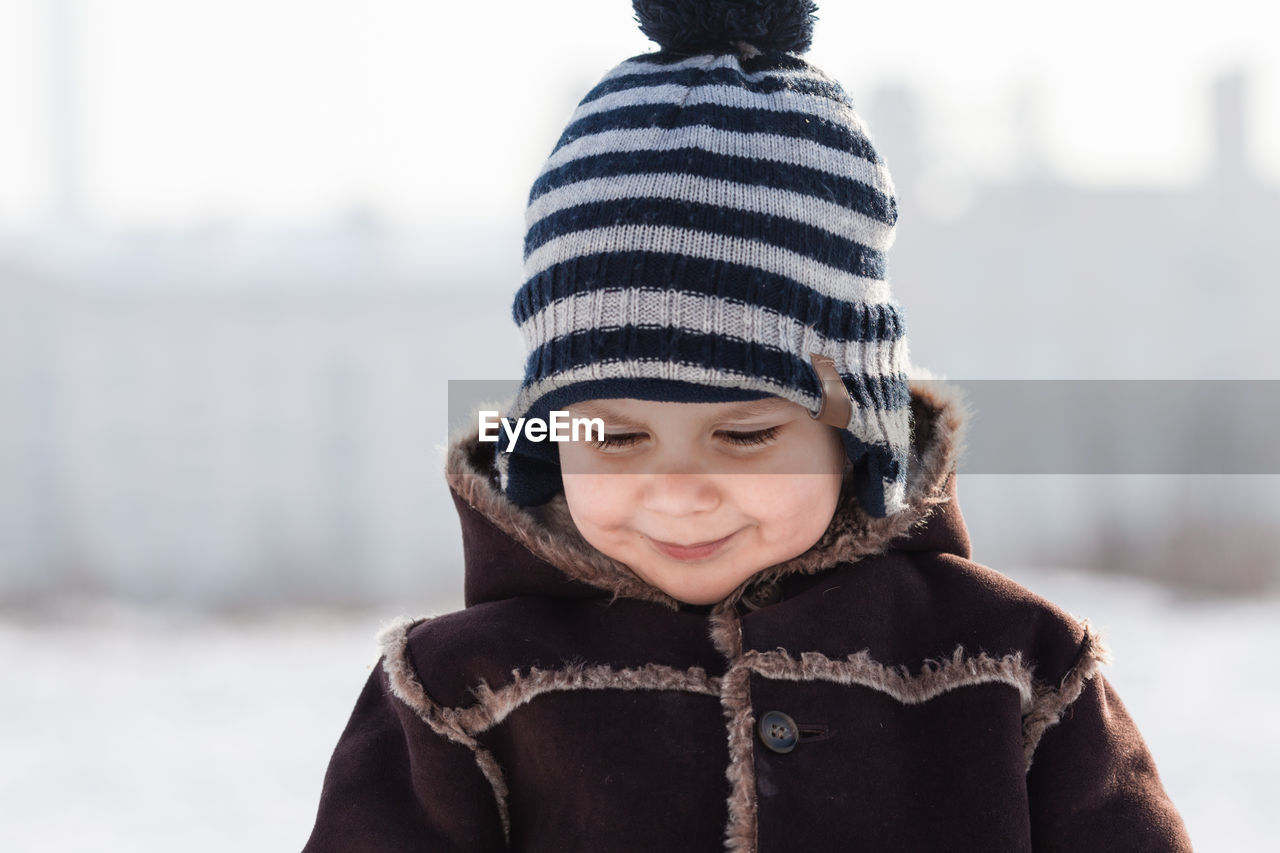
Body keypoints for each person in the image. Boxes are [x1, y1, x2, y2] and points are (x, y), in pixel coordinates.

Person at [301, 2, 1192, 850]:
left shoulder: (1008, 668)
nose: (680, 490)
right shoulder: (460, 694)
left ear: (857, 432)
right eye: (616, 438)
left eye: (745, 436)